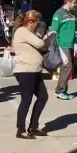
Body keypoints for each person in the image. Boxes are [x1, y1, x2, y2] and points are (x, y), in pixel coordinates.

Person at [12, 10, 52, 139]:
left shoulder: (28, 32)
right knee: (26, 99)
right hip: (25, 70)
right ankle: (21, 129)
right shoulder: (23, 31)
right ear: (30, 22)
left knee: (43, 97)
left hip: (34, 70)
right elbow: (40, 44)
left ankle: (34, 126)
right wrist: (45, 38)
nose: (37, 26)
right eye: (36, 23)